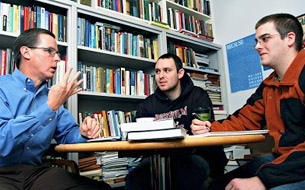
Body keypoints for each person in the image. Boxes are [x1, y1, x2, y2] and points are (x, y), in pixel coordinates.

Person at [0, 28, 110, 190]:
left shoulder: (51, 96)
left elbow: (67, 135)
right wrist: (49, 108)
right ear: (26, 52)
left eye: (57, 53)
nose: (58, 59)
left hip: (34, 173)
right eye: (50, 51)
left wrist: (83, 132)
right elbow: (0, 141)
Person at [191, 13, 305, 190]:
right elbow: (244, 119)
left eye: (265, 39)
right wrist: (209, 127)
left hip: (298, 164)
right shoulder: (269, 85)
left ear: (290, 38)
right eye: (257, 41)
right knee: (216, 185)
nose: (258, 47)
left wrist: (264, 180)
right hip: (283, 159)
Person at [125, 53, 228, 190]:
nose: (161, 76)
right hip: (158, 158)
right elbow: (138, 140)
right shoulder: (146, 105)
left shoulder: (198, 96)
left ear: (180, 73)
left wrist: (201, 128)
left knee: (184, 172)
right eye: (157, 71)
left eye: (167, 70)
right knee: (134, 179)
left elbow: (206, 133)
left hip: (194, 155)